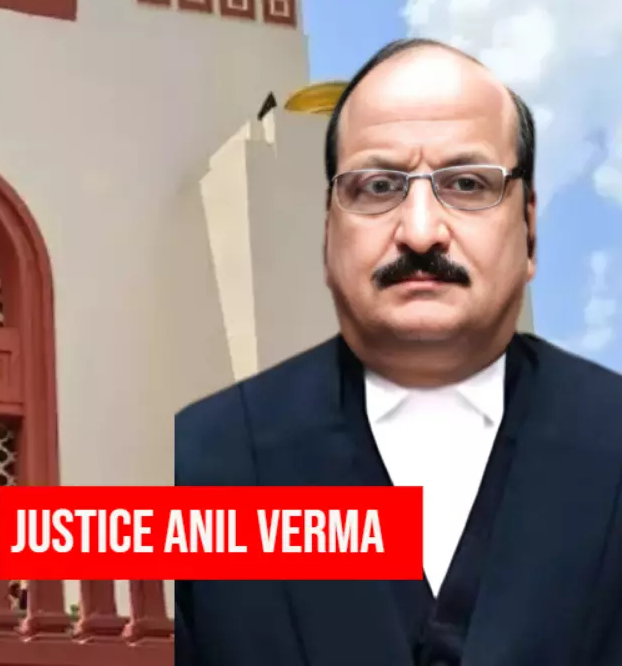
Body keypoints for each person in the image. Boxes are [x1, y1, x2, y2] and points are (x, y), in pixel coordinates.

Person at [174, 39, 622, 666]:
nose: (419, 232)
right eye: (378, 186)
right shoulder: (205, 459)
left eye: (467, 184)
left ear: (529, 230)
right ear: (328, 234)